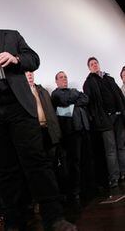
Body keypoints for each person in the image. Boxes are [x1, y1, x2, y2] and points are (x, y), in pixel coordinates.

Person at [0, 0, 75, 230]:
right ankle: (15, 223)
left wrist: (16, 59)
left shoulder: (11, 36)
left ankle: (54, 218)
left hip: (17, 105)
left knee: (37, 163)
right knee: (4, 171)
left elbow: (34, 59)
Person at [83, 57, 125, 188]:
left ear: (99, 64)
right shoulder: (88, 83)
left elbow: (119, 96)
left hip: (118, 117)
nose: (95, 65)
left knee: (121, 146)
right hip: (104, 120)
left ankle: (124, 173)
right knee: (110, 150)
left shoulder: (109, 79)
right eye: (92, 64)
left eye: (96, 63)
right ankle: (114, 177)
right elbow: (90, 103)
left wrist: (122, 112)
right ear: (89, 68)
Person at [51, 71, 91, 207]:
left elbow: (85, 98)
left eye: (65, 77)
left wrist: (73, 98)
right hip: (70, 132)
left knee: (85, 159)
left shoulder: (71, 91)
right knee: (74, 162)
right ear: (56, 81)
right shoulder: (56, 93)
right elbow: (63, 101)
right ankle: (75, 191)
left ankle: (85, 188)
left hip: (82, 128)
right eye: (61, 78)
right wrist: (75, 94)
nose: (64, 79)